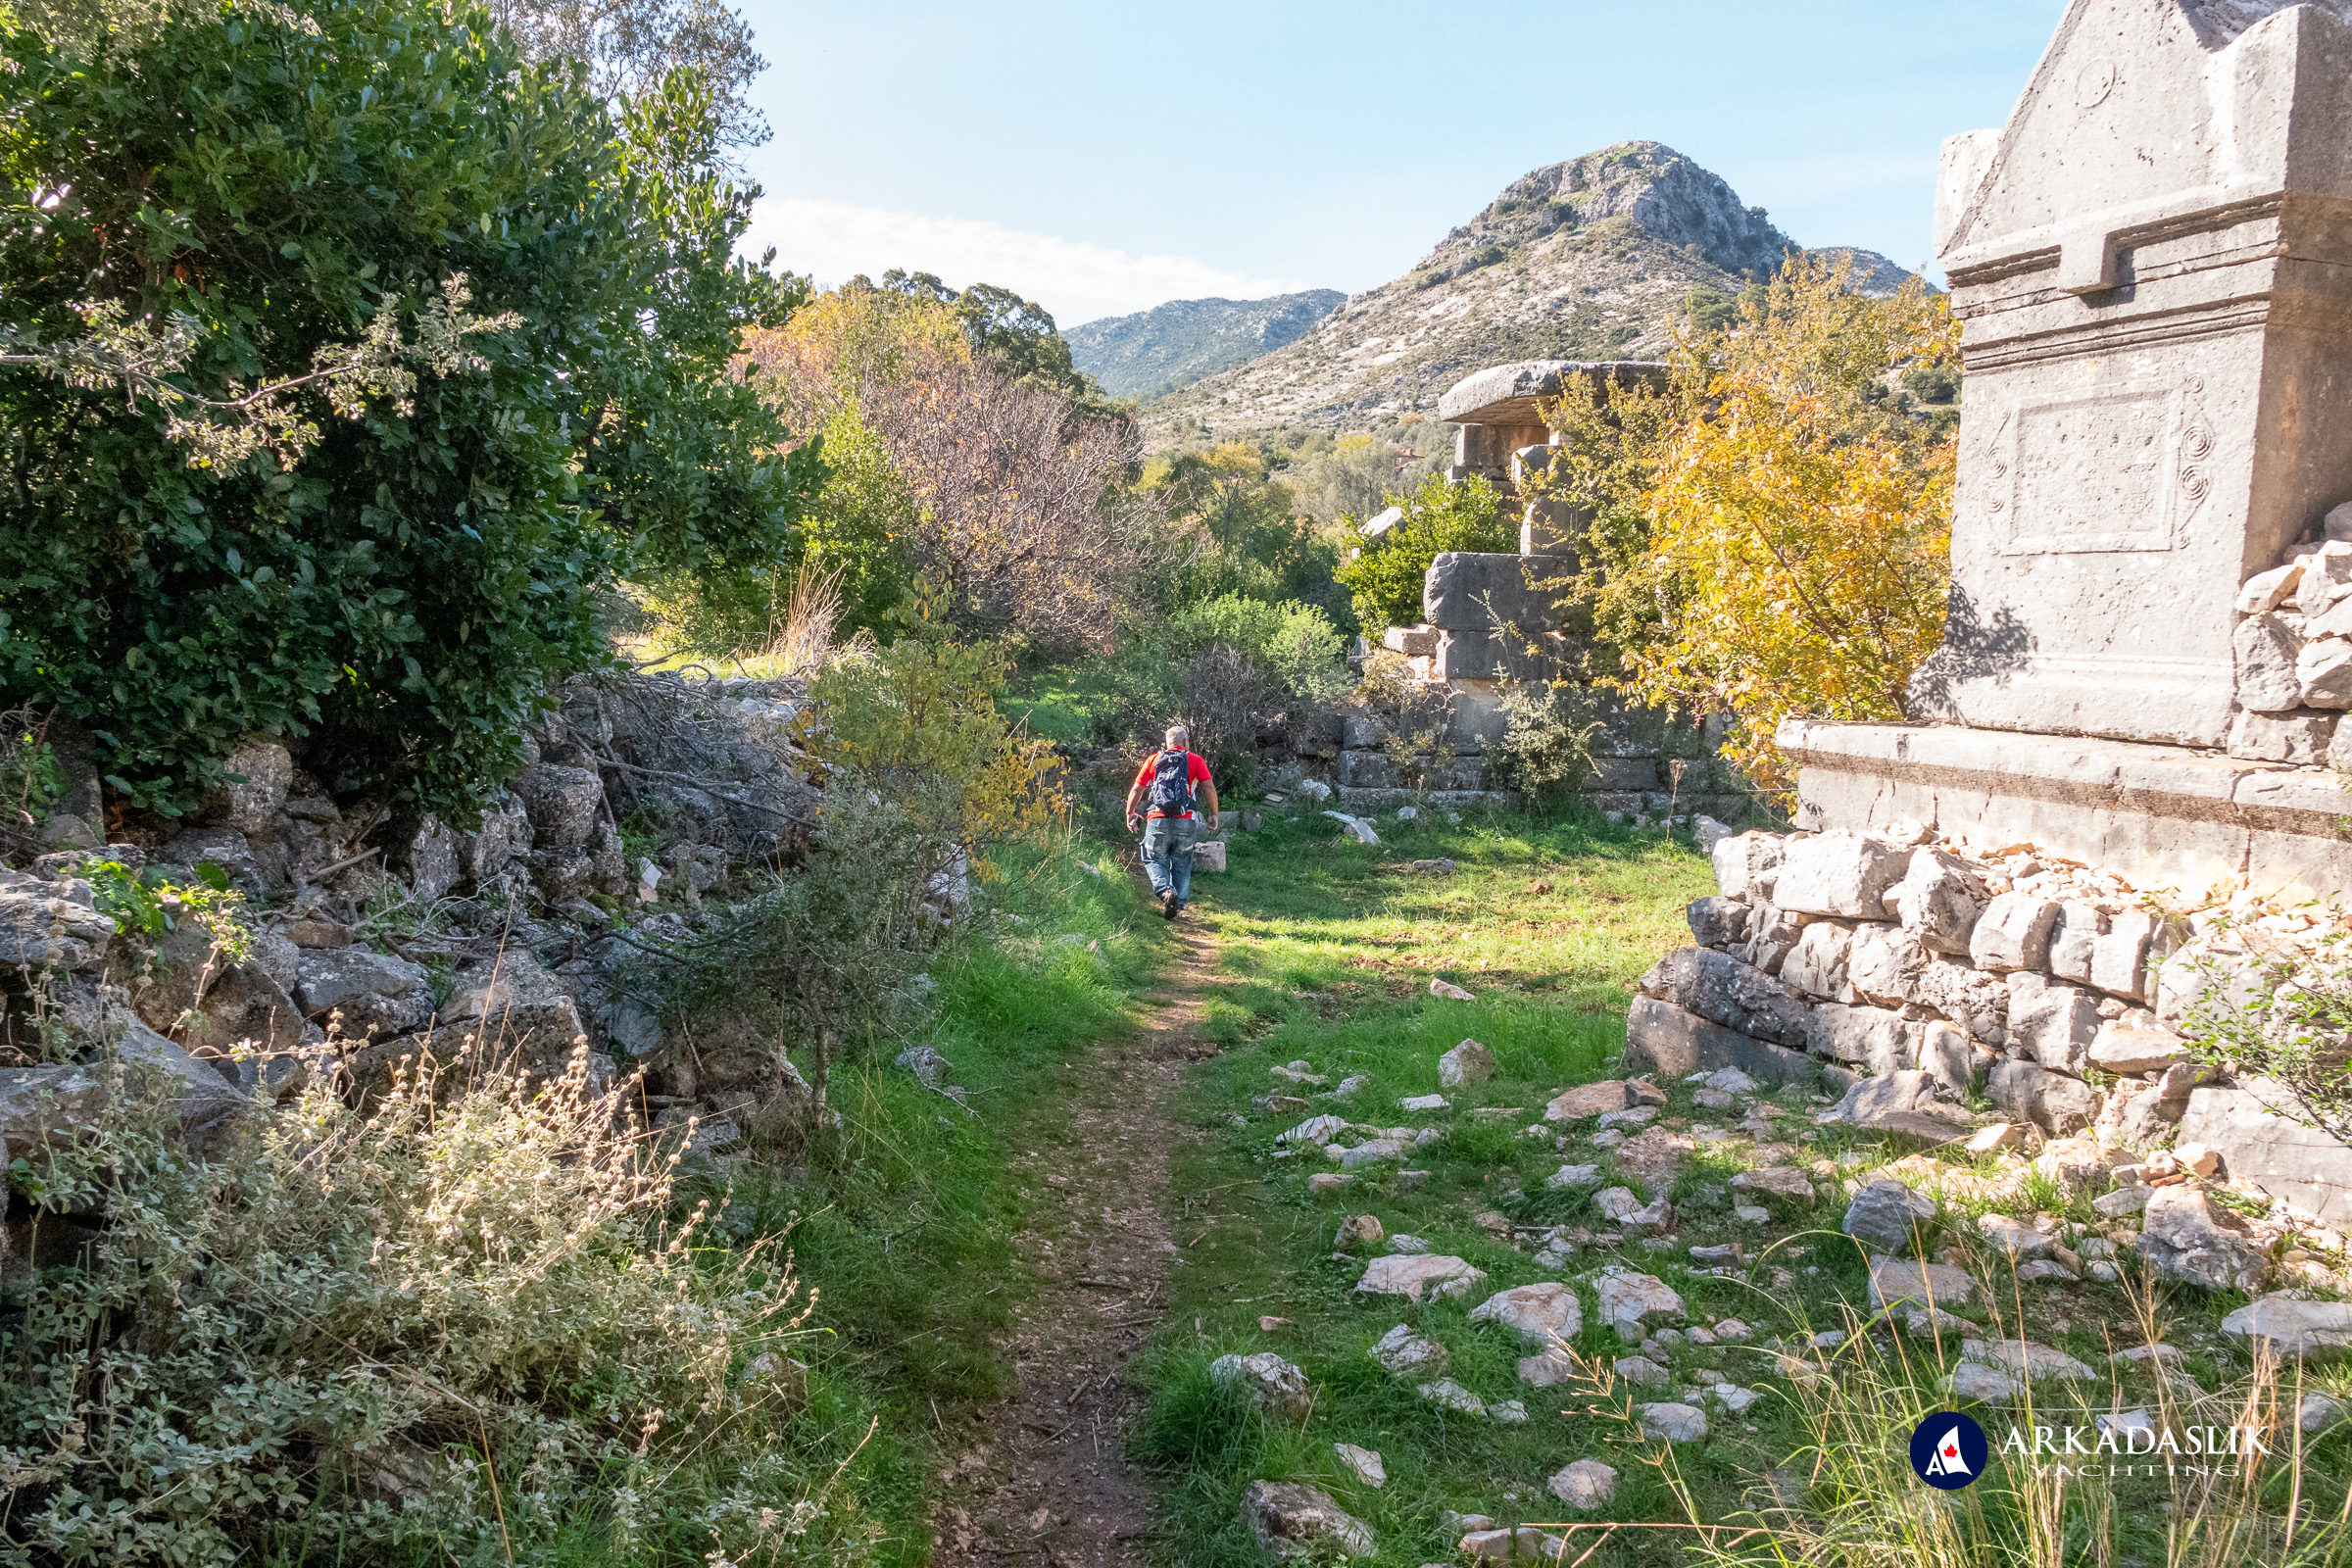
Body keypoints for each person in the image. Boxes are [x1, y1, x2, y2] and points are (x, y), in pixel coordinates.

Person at [1125, 724, 1218, 919]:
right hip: (1186, 820)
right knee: (1182, 861)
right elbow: (1208, 786)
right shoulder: (1195, 760)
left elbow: (1137, 789)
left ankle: (1165, 891)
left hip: (1157, 819)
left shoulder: (1153, 760)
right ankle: (1178, 904)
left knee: (1153, 858)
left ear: (1167, 743)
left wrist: (1130, 812)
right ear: (1185, 743)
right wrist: (1214, 814)